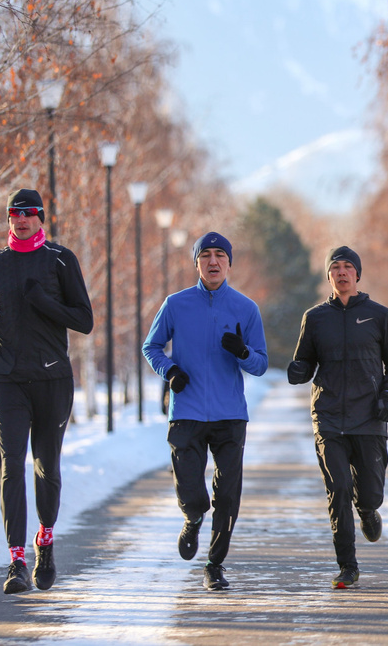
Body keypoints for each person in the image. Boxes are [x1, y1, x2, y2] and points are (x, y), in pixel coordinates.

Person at [0, 188, 94, 594]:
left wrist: (43, 301)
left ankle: (44, 539)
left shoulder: (60, 260)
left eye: (28, 213)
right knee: (11, 466)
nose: (20, 219)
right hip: (7, 377)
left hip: (52, 380)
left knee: (46, 466)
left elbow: (84, 320)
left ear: (41, 217)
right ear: (8, 220)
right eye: (13, 213)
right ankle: (16, 561)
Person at [143, 232, 268, 591]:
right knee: (193, 493)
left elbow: (260, 364)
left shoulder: (245, 308)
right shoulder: (176, 304)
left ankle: (214, 564)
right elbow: (151, 346)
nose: (213, 261)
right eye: (206, 255)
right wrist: (171, 371)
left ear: (229, 263)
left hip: (230, 415)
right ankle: (193, 517)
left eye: (220, 255)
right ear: (196, 262)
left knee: (228, 494)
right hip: (187, 411)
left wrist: (243, 352)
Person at [287, 246, 388, 590]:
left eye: (348, 267)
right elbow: (303, 363)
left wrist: (387, 395)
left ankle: (367, 510)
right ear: (329, 276)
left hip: (369, 416)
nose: (341, 272)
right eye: (335, 267)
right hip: (328, 417)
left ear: (357, 275)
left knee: (369, 492)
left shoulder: (380, 315)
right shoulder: (315, 317)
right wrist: (298, 370)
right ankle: (347, 565)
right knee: (338, 489)